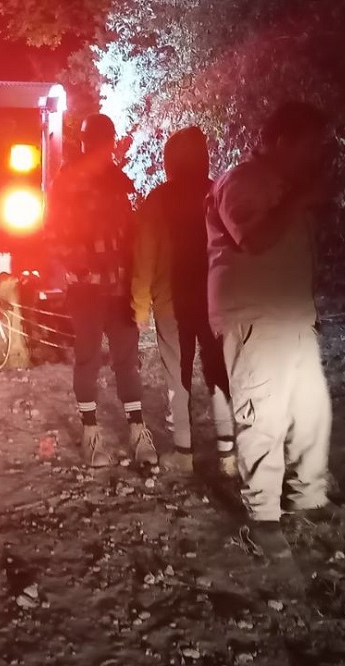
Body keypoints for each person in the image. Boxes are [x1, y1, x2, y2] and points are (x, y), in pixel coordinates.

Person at [205, 101, 335, 559]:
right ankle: (263, 518)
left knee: (312, 414)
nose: (315, 155)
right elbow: (254, 239)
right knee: (262, 417)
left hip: (292, 317)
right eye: (309, 145)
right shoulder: (240, 181)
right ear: (282, 142)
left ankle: (309, 500)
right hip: (256, 318)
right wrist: (298, 200)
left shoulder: (281, 185)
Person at [47, 113, 158, 467]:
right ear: (87, 143)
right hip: (87, 290)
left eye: (103, 142)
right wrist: (80, 267)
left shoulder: (117, 180)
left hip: (120, 288)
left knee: (127, 360)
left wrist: (138, 276)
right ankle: (90, 433)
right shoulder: (67, 182)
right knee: (88, 358)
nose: (100, 149)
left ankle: (137, 429)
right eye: (95, 142)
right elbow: (54, 232)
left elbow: (133, 232)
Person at [131, 126, 236, 476]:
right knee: (219, 371)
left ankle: (184, 453)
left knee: (178, 378)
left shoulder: (158, 200)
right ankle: (228, 455)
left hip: (170, 304)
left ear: (170, 160)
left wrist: (140, 305)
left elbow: (144, 254)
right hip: (215, 302)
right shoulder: (218, 192)